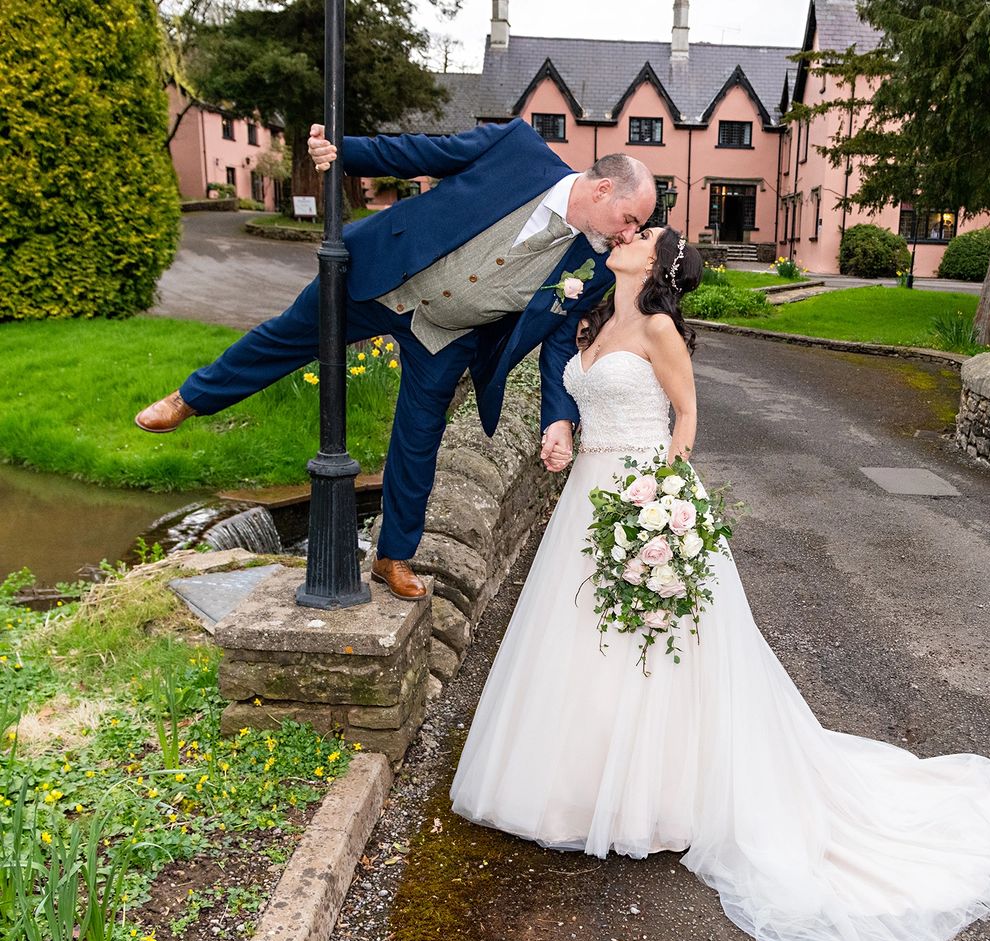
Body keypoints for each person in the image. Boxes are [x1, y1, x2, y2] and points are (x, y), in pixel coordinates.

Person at [450, 225, 990, 941]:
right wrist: (562, 429)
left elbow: (686, 416)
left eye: (640, 236)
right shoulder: (596, 315)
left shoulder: (659, 327)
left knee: (650, 643)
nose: (624, 236)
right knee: (579, 637)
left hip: (639, 495)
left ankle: (653, 802)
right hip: (585, 497)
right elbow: (581, 394)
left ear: (659, 265)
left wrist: (657, 501)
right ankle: (569, 786)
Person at [135, 121, 656, 600]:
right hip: (384, 275)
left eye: (637, 228)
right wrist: (343, 152)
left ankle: (392, 557)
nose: (629, 234)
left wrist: (559, 418)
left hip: (447, 335)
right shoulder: (517, 150)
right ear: (603, 188)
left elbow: (560, 345)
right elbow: (423, 151)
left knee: (419, 439)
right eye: (630, 219)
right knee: (288, 337)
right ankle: (190, 398)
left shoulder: (594, 266)